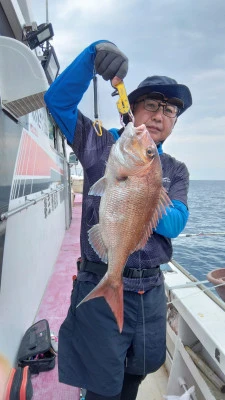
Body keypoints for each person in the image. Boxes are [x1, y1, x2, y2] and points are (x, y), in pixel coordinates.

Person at [44, 40, 192, 400]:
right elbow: (57, 103)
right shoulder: (101, 146)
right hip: (101, 279)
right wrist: (92, 57)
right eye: (152, 105)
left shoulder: (174, 169)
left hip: (151, 292)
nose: (159, 116)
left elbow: (175, 224)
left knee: (138, 372)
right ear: (132, 109)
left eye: (170, 111)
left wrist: (144, 191)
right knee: (100, 386)